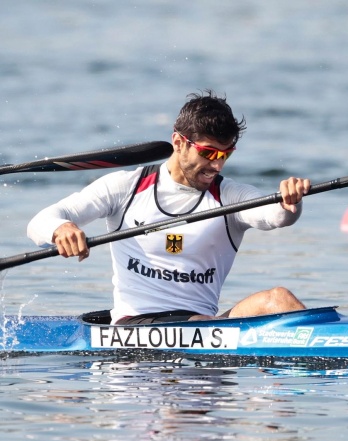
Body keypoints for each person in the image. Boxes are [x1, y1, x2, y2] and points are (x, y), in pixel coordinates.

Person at [27, 90, 311, 325]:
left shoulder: (230, 196)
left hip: (200, 325)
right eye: (208, 153)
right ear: (178, 142)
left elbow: (273, 215)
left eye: (226, 154)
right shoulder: (125, 187)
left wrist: (289, 202)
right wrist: (60, 229)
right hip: (134, 324)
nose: (217, 164)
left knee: (278, 299)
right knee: (201, 323)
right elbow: (40, 222)